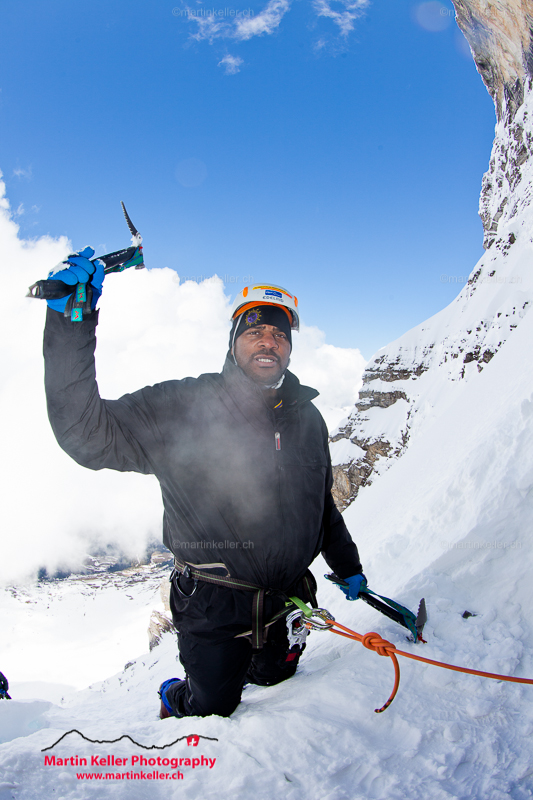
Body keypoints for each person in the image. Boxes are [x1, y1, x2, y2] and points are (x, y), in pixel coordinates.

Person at [42, 251, 366, 719]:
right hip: (213, 602)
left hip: (287, 598)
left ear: (290, 348)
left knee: (276, 676)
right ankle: (175, 694)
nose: (268, 342)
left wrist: (348, 565)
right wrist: (72, 325)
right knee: (212, 706)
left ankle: (258, 664)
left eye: (279, 334)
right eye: (255, 331)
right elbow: (87, 436)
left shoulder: (307, 418)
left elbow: (320, 506)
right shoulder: (182, 405)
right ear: (234, 342)